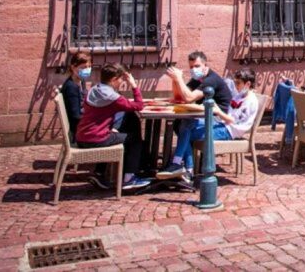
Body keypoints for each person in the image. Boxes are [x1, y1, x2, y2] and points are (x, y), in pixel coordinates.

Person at [158, 69, 260, 186]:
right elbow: (228, 115)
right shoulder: (239, 96)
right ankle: (185, 168)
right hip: (221, 124)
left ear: (247, 84)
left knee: (187, 133)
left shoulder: (251, 101)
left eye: (238, 83)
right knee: (186, 122)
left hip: (228, 131)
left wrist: (217, 111)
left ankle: (182, 167)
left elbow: (232, 121)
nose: (235, 86)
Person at [74, 63, 151, 191]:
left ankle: (100, 173)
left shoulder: (94, 89)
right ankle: (129, 178)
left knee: (131, 119)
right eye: (121, 79)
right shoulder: (112, 96)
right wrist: (134, 85)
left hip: (83, 136)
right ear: (114, 79)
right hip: (96, 139)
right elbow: (138, 106)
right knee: (135, 140)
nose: (122, 82)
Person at [167, 51, 233, 113]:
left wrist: (179, 79)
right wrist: (175, 79)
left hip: (218, 117)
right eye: (191, 67)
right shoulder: (197, 79)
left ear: (205, 65)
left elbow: (189, 98)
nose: (194, 69)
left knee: (184, 122)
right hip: (205, 113)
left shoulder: (211, 80)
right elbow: (180, 97)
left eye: (197, 66)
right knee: (179, 120)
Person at [60, 52, 92, 142]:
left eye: (89, 66)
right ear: (73, 67)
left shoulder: (81, 81)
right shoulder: (71, 87)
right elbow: (75, 116)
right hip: (80, 131)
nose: (87, 69)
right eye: (83, 67)